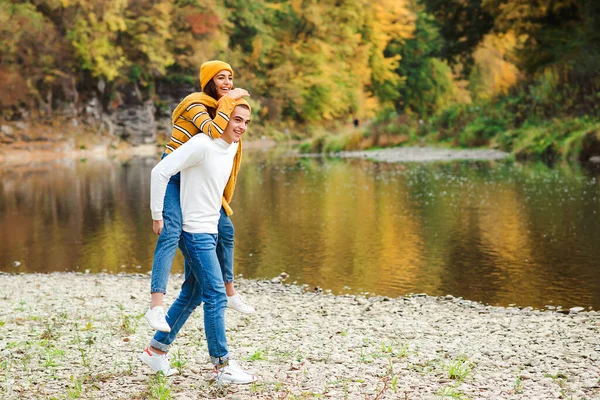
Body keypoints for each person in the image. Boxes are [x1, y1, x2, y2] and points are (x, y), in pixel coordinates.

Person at [139, 100, 257, 384]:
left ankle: (156, 350)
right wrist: (158, 215)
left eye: (246, 122)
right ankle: (222, 366)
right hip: (194, 233)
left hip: (211, 229)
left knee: (192, 294)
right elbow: (160, 171)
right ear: (224, 118)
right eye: (236, 119)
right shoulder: (202, 143)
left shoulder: (230, 148)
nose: (241, 126)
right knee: (216, 296)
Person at [145, 60, 255, 334]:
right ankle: (155, 305)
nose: (228, 83)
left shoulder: (220, 108)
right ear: (209, 81)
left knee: (226, 229)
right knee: (169, 234)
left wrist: (229, 106)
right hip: (174, 174)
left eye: (230, 77)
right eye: (221, 78)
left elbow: (225, 139)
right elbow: (212, 131)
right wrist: (157, 214)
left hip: (195, 176)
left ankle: (230, 292)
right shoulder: (195, 103)